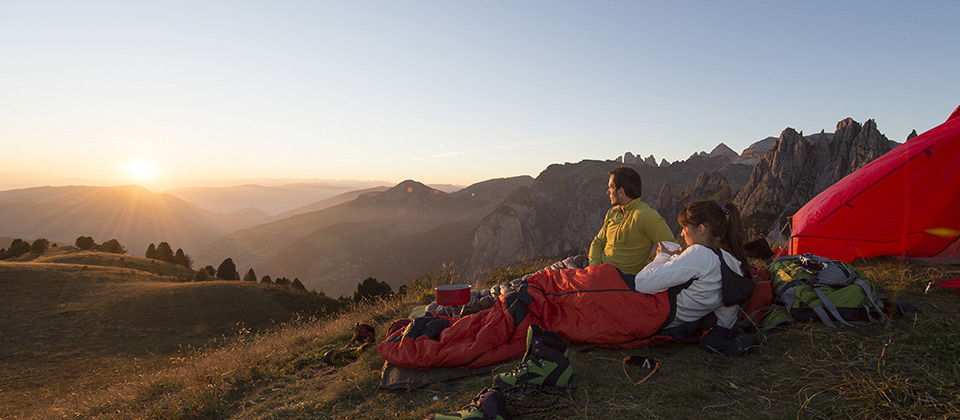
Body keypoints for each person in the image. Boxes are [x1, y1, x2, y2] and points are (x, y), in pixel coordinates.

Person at [634, 200, 750, 329]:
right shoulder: (733, 264)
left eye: (685, 228)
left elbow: (641, 283)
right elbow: (726, 322)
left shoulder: (700, 253)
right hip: (675, 324)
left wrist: (663, 256)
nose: (682, 233)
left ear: (701, 229)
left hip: (653, 313)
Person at [588, 167, 676, 274]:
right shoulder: (613, 213)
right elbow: (598, 242)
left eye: (611, 187)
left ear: (621, 192)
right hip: (598, 271)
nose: (608, 192)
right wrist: (594, 268)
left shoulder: (645, 215)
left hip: (620, 278)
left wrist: (651, 272)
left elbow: (673, 248)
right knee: (570, 263)